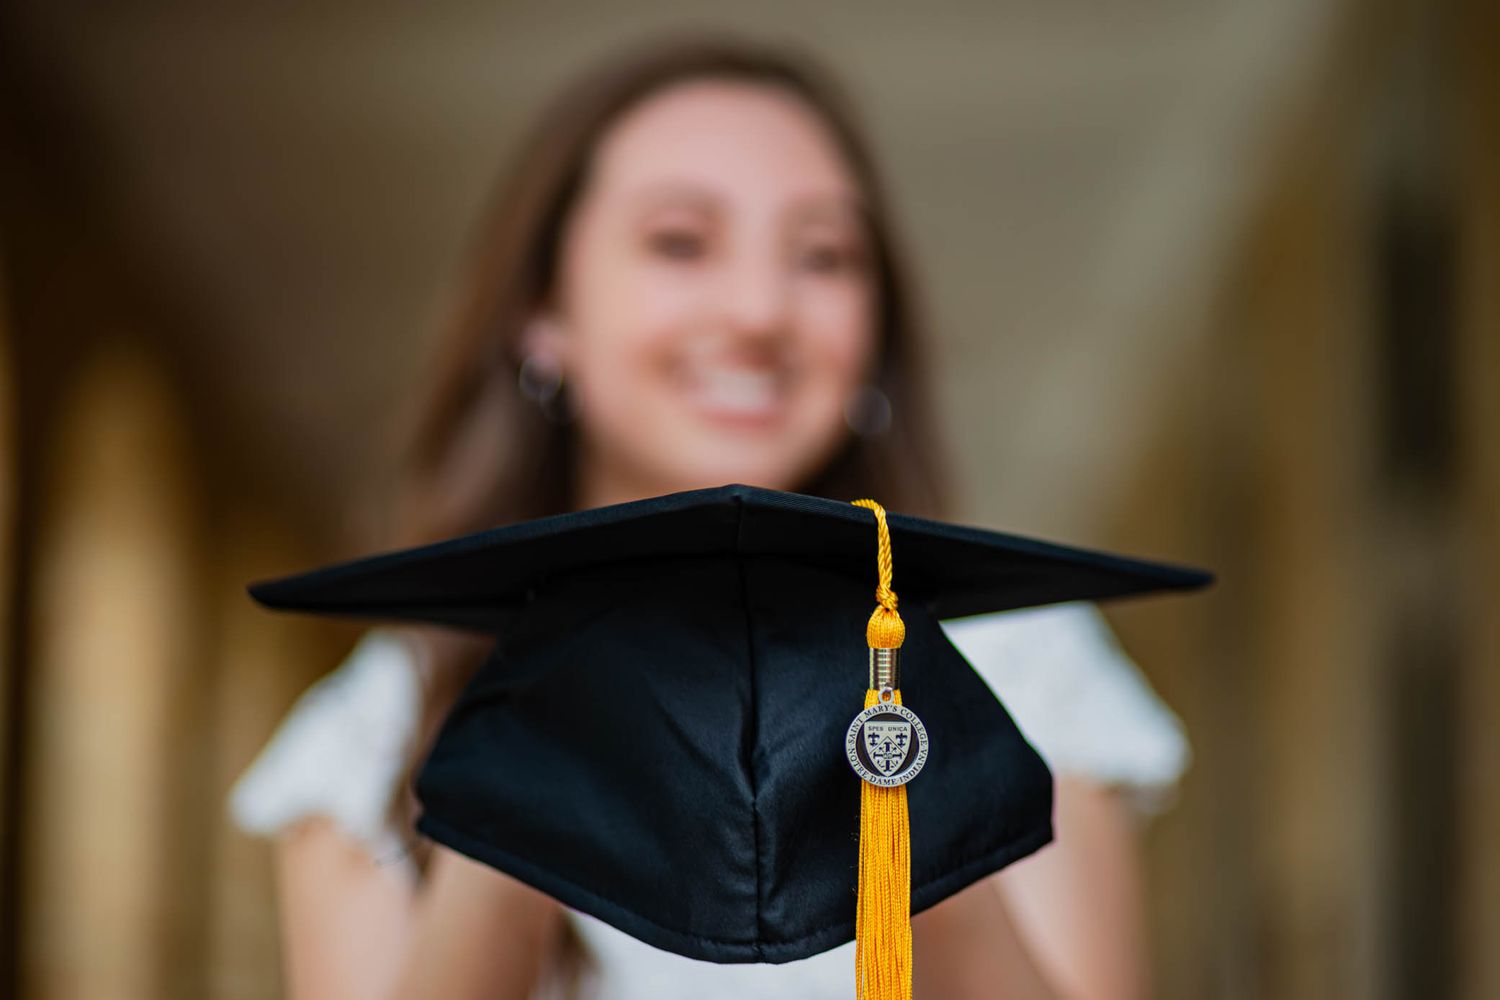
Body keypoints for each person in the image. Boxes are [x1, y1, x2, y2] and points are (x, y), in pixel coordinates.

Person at [228, 34, 1189, 1000]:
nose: (760, 309)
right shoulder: (375, 737)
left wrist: (928, 796)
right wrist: (509, 794)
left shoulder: (1026, 665)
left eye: (824, 255)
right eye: (679, 241)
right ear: (542, 315)